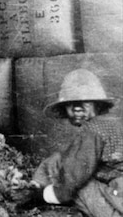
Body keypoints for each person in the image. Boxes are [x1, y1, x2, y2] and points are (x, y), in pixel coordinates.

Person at [16, 69, 123, 217]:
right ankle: (36, 184)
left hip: (117, 203)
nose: (77, 108)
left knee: (76, 182)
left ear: (97, 105)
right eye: (71, 104)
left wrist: (41, 196)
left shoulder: (93, 131)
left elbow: (74, 176)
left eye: (84, 102)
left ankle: (38, 190)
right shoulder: (110, 125)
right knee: (64, 160)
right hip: (116, 194)